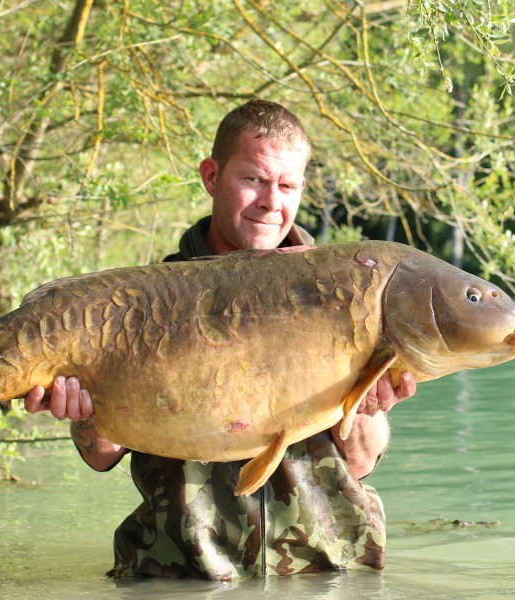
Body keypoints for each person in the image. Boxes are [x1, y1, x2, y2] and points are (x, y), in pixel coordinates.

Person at [24, 99, 416, 580]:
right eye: (253, 179)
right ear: (211, 177)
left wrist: (368, 408)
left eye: (287, 185)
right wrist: (84, 414)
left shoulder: (343, 296)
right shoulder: (142, 304)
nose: (272, 201)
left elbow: (358, 462)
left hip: (330, 571)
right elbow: (100, 454)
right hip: (185, 574)